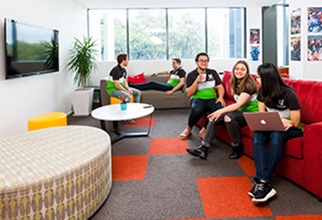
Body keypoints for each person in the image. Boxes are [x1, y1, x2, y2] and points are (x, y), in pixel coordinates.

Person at [249, 63, 303, 203]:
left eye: (259, 77)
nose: (257, 79)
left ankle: (263, 181)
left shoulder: (288, 93)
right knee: (258, 135)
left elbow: (296, 121)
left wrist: (282, 122)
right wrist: (273, 122)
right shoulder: (262, 91)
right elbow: (262, 115)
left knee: (276, 135)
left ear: (267, 78)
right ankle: (263, 182)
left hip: (292, 129)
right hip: (273, 125)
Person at [186, 60, 258, 159]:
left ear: (247, 71)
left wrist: (220, 111)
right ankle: (203, 148)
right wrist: (218, 113)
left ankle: (237, 146)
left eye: (242, 69)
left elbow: (238, 105)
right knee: (213, 117)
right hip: (241, 111)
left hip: (252, 113)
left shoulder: (249, 84)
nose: (239, 71)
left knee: (227, 118)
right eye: (237, 69)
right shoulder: (235, 82)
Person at [179, 52, 225, 140]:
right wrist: (196, 81)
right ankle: (189, 128)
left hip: (212, 99)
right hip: (197, 98)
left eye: (206, 60)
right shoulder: (191, 75)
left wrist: (221, 97)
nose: (204, 62)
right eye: (201, 60)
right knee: (197, 109)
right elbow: (188, 93)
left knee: (219, 108)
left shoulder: (213, 72)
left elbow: (220, 87)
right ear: (196, 62)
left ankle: (204, 130)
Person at [106, 53, 142, 123]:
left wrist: (128, 89)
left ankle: (134, 112)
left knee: (138, 92)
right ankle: (127, 118)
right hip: (113, 90)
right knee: (127, 96)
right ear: (123, 61)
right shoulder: (115, 70)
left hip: (121, 88)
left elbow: (125, 82)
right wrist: (126, 91)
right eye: (127, 59)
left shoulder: (124, 70)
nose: (128, 61)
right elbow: (116, 85)